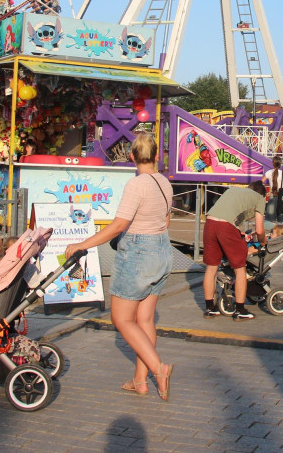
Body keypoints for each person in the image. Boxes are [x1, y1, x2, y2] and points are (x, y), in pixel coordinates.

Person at [64, 132, 174, 399]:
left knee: (121, 318)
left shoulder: (136, 185)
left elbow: (119, 226)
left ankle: (159, 368)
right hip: (162, 251)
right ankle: (140, 381)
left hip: (138, 253)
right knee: (145, 319)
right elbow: (167, 221)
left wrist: (83, 244)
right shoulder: (164, 182)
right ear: (156, 155)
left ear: (132, 157)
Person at [201, 180, 266, 321]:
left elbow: (226, 217)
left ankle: (209, 309)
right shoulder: (260, 198)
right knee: (240, 268)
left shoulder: (233, 190)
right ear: (261, 193)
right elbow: (260, 230)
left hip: (210, 223)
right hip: (225, 228)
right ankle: (240, 310)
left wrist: (237, 233)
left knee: (211, 268)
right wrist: (263, 241)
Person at [262, 157, 283, 222]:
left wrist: (266, 192)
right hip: (281, 197)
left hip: (272, 195)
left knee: (270, 219)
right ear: (280, 164)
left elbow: (260, 182)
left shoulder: (269, 172)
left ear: (272, 164)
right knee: (282, 218)